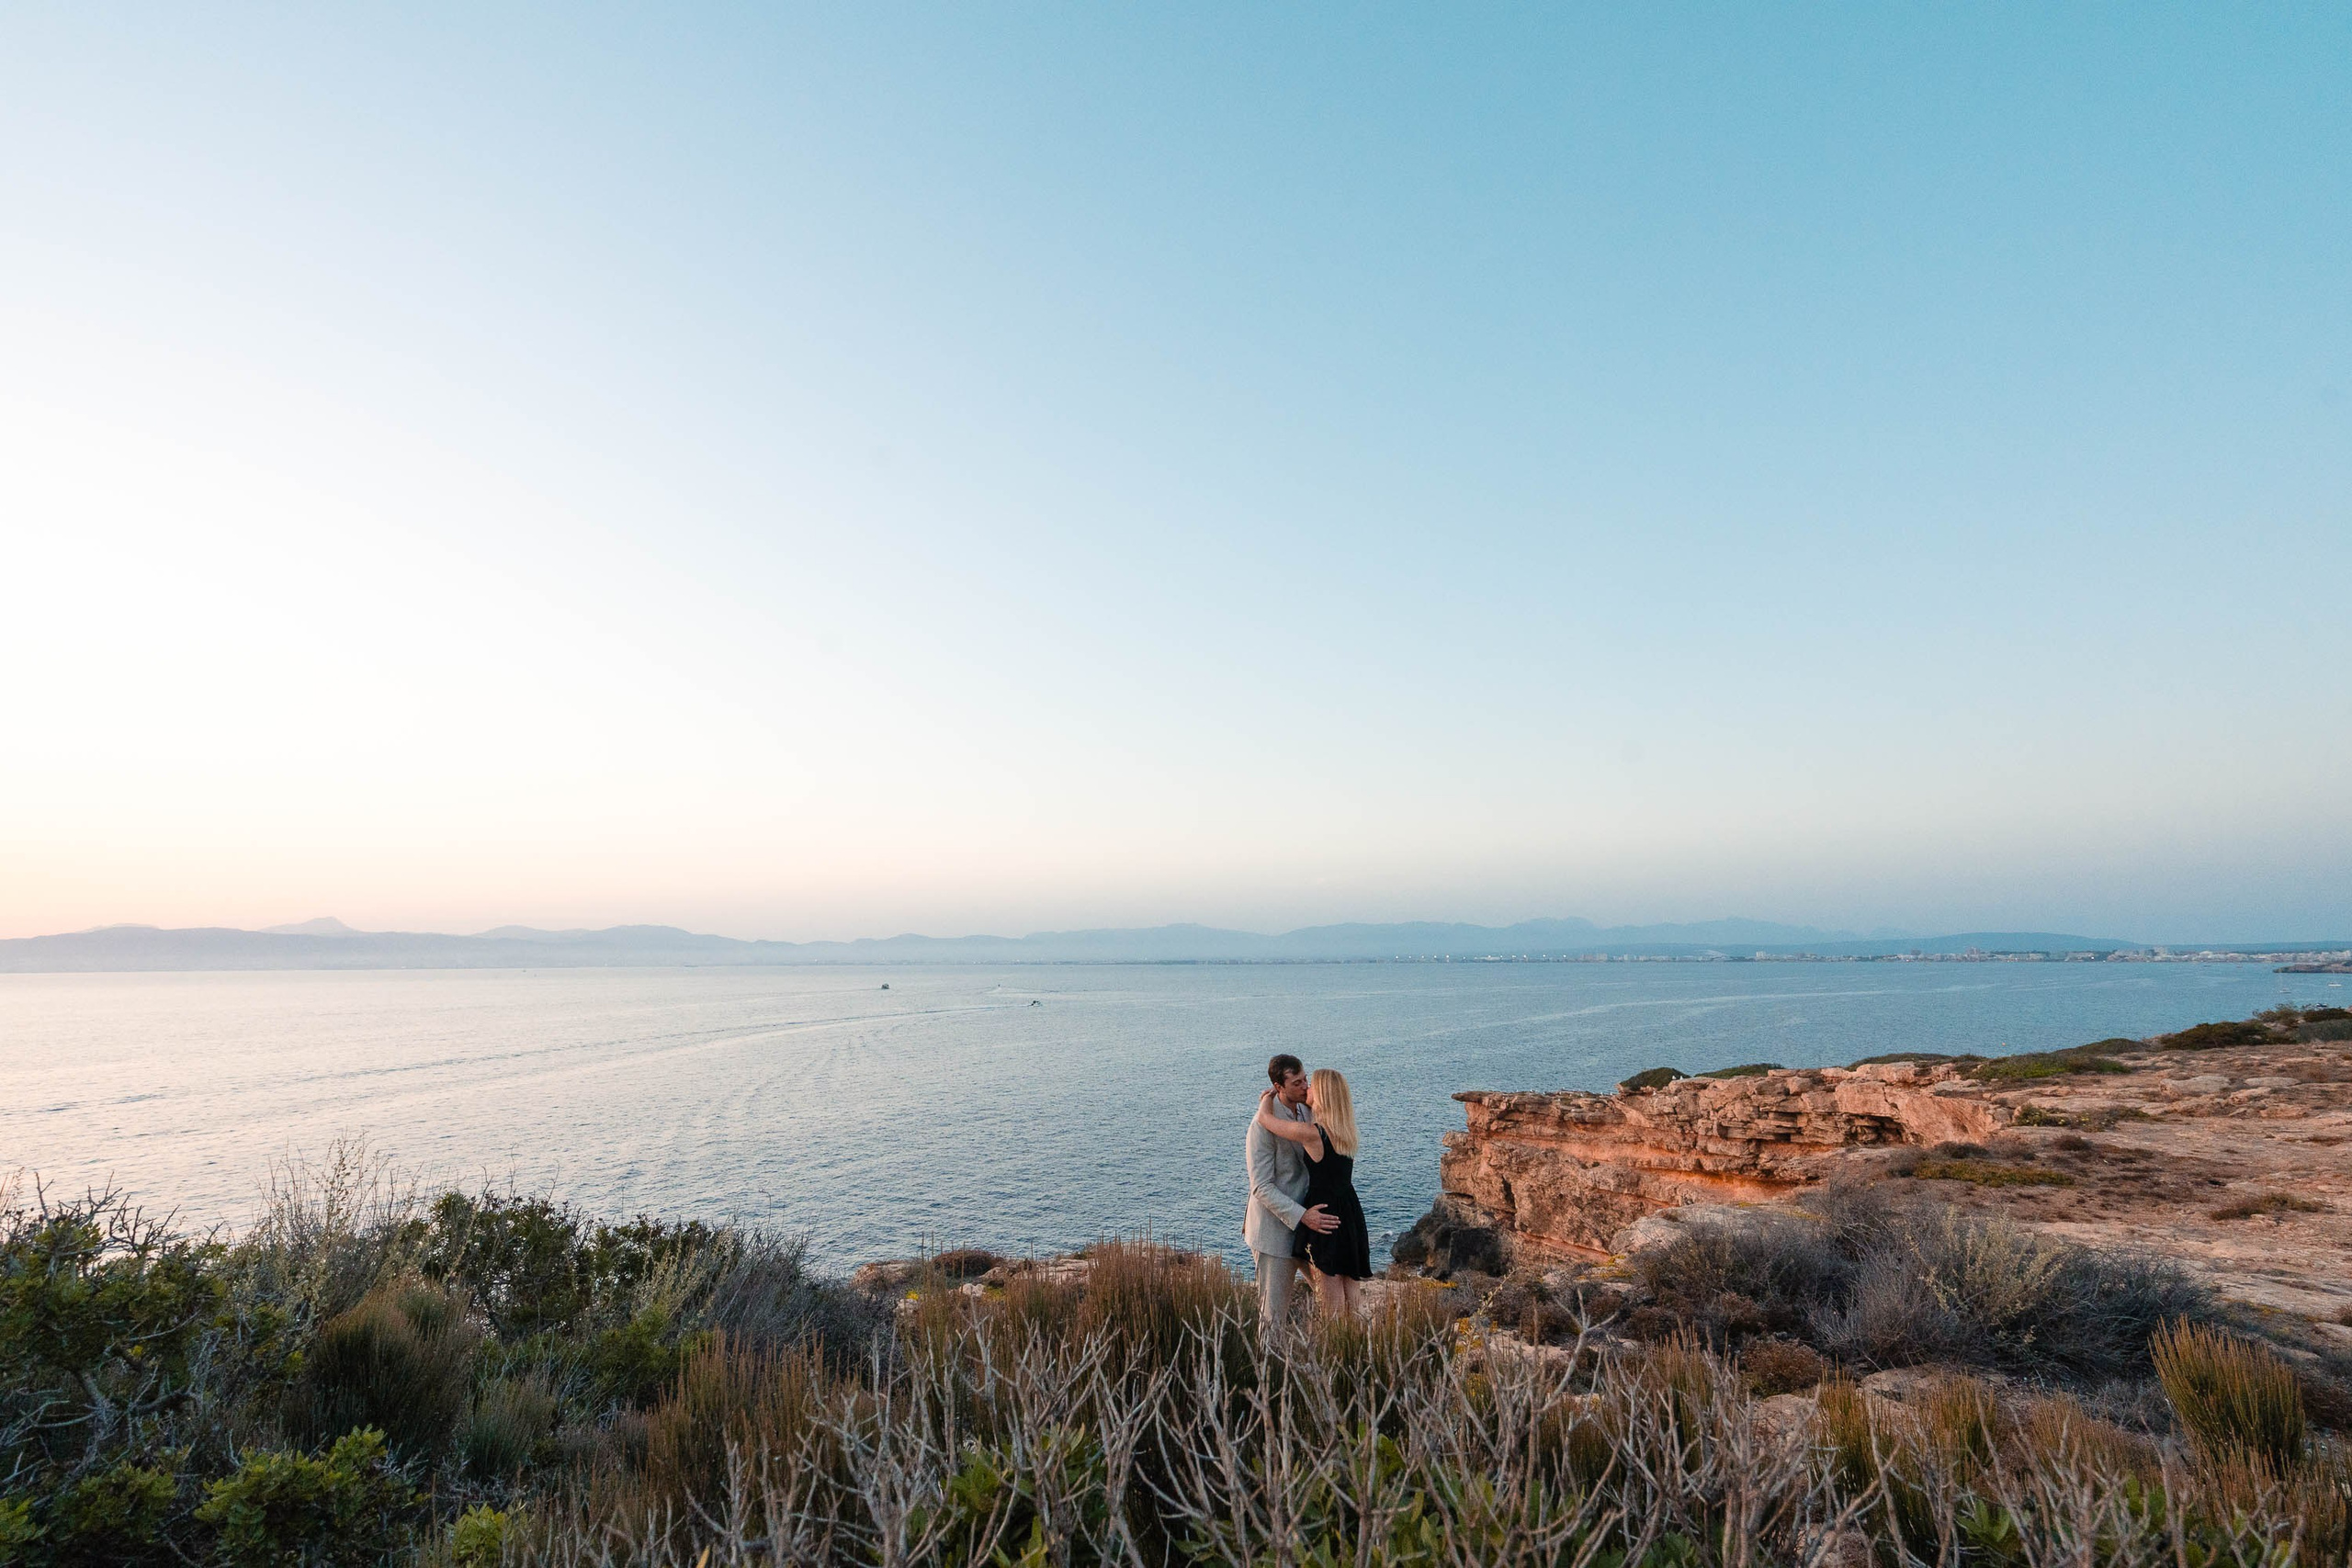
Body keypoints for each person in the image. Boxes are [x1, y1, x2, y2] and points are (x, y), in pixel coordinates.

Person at [1253, 1067, 1371, 1316]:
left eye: (1312, 1084)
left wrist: (1266, 1099)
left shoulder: (1313, 1134)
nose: (1307, 1087)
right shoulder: (1344, 1130)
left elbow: (1265, 1120)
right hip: (1348, 1214)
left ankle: (1336, 1352)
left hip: (1324, 1218)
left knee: (1333, 1310)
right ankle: (1358, 1350)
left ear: (1324, 1095)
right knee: (1353, 1302)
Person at [1245, 1053, 1338, 1326]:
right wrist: (1302, 1215)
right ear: (1278, 1087)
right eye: (1297, 1083)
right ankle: (1267, 1368)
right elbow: (1261, 1187)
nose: (1305, 1086)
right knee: (1272, 1318)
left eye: (1305, 1079)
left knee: (1333, 1304)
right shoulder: (1261, 1126)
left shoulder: (1309, 1110)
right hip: (1275, 1233)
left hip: (1311, 1230)